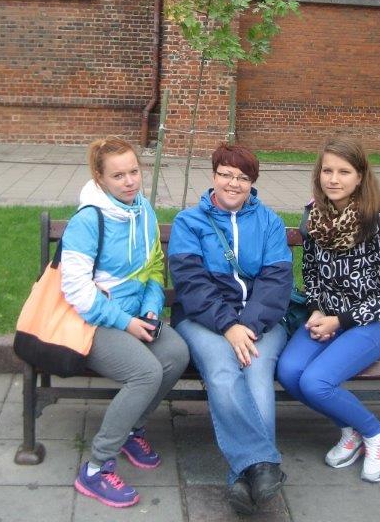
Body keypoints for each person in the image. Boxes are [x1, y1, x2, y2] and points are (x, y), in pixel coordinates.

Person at [61, 136, 190, 508]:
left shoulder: (143, 210)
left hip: (134, 316)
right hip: (93, 322)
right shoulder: (88, 220)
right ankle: (96, 467)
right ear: (99, 178)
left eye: (134, 171)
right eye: (118, 175)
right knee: (146, 372)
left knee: (177, 353)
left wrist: (150, 309)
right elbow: (77, 292)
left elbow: (153, 266)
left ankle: (133, 429)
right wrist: (125, 322)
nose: (130, 181)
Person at [168, 143, 293, 515]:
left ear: (252, 182)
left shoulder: (269, 222)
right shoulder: (189, 222)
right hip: (202, 320)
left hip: (261, 321)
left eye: (242, 177)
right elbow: (191, 285)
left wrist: (246, 327)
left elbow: (276, 283)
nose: (233, 183)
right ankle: (264, 467)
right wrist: (228, 326)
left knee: (256, 370)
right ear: (213, 176)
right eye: (226, 174)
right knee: (223, 371)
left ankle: (242, 477)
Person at [276, 135, 380, 484]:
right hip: (328, 317)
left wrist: (341, 320)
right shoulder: (314, 217)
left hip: (374, 321)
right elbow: (311, 272)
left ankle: (377, 434)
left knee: (316, 382)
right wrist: (316, 310)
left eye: (344, 172)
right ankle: (349, 429)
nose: (333, 179)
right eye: (327, 170)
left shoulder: (377, 221)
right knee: (289, 371)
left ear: (360, 176)